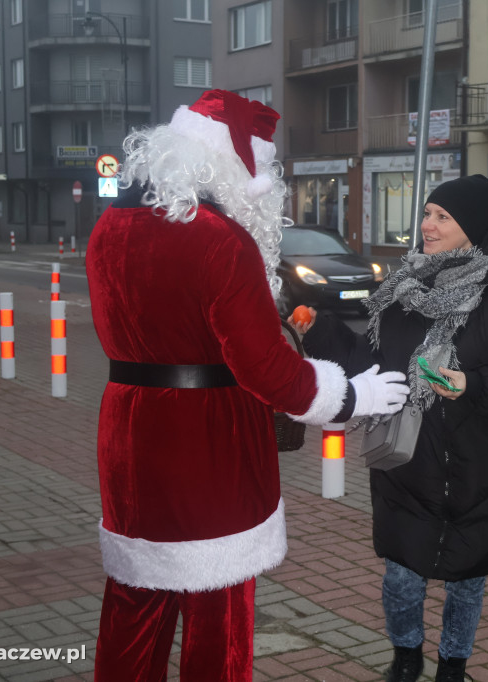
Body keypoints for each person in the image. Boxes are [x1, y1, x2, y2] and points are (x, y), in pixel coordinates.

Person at [85, 90, 409, 681]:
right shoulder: (217, 239)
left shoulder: (109, 227)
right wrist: (351, 396)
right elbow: (264, 368)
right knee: (219, 611)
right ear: (229, 163)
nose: (263, 186)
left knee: (135, 601)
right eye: (259, 169)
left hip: (128, 436)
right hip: (208, 448)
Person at [290, 174, 488, 682]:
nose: (427, 226)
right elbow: (364, 364)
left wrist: (472, 383)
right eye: (428, 214)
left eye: (443, 217)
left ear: (473, 228)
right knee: (402, 574)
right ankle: (407, 657)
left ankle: (453, 666)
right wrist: (318, 328)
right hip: (409, 459)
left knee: (467, 580)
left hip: (483, 466)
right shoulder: (401, 290)